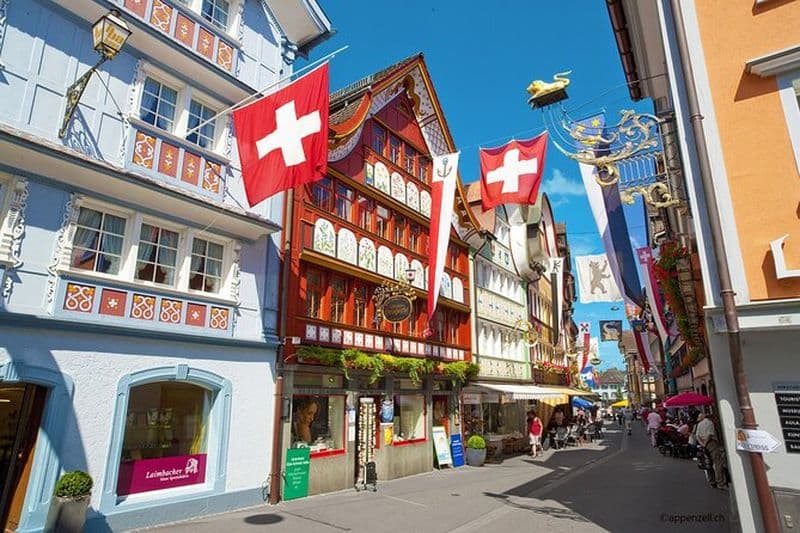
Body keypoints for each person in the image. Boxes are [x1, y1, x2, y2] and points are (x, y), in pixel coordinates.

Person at [695, 413, 726, 488]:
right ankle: (720, 482)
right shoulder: (710, 423)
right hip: (711, 443)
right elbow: (710, 434)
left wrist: (702, 444)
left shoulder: (699, 424)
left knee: (708, 463)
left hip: (703, 443)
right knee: (718, 462)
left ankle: (712, 480)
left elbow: (697, 435)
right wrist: (705, 443)